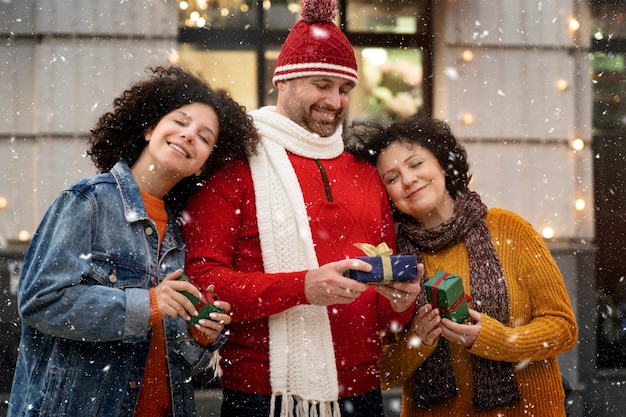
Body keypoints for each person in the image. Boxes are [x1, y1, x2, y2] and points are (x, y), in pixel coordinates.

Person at [182, 1, 421, 416]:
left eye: (345, 89)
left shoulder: (365, 172)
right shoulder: (235, 162)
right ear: (284, 81)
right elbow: (204, 283)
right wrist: (303, 288)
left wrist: (400, 303)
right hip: (263, 395)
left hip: (361, 394)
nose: (336, 100)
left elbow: (381, 314)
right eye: (322, 84)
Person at [7, 65, 259, 417]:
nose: (189, 136)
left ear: (204, 165)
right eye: (181, 122)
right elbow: (40, 302)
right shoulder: (87, 202)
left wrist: (200, 335)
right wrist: (149, 304)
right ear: (149, 129)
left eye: (204, 137)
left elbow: (175, 357)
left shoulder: (181, 231)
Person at [350, 117, 578, 416]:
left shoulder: (510, 230)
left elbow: (563, 329)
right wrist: (418, 341)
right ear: (385, 195)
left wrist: (493, 339)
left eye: (416, 164)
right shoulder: (390, 262)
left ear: (444, 164)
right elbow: (378, 375)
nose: (407, 180)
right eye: (392, 178)